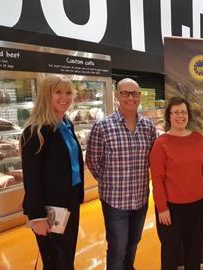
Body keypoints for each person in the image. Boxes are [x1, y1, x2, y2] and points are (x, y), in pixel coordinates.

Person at [86, 78, 157, 270]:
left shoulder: (148, 128)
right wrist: (108, 181)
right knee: (117, 248)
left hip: (141, 198)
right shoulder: (102, 126)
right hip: (115, 201)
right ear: (118, 95)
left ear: (139, 96)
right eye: (125, 93)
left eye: (134, 93)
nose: (130, 98)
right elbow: (92, 161)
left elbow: (153, 158)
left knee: (134, 242)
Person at [20, 74, 84, 269]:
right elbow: (31, 179)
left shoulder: (66, 125)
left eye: (68, 92)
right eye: (58, 92)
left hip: (69, 203)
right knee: (55, 261)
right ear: (46, 95)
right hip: (49, 210)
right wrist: (37, 217)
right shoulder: (35, 132)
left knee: (66, 257)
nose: (64, 97)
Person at [150, 96, 203, 270]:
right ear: (169, 116)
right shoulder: (161, 144)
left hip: (198, 205)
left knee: (194, 250)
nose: (181, 116)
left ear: (189, 116)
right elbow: (157, 179)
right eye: (176, 112)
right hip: (171, 209)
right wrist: (162, 208)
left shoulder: (198, 139)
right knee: (170, 253)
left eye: (184, 112)